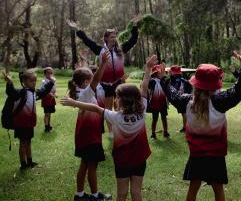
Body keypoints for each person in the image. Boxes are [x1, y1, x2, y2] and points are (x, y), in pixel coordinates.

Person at [61, 56, 155, 201]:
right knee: (136, 192)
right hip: (139, 158)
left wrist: (75, 103)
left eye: (116, 97)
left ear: (119, 101)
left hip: (122, 160)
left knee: (122, 194)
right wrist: (148, 68)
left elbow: (97, 109)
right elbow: (144, 85)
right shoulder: (142, 110)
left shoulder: (115, 117)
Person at [160, 51, 241, 201]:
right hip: (216, 155)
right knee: (218, 189)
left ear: (196, 83)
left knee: (193, 187)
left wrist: (163, 78)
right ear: (215, 84)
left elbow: (172, 93)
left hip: (197, 154)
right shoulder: (221, 101)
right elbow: (238, 90)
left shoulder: (186, 101)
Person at [67, 16, 140, 138]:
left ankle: (119, 127)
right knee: (107, 107)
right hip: (105, 84)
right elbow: (87, 40)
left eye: (114, 36)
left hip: (119, 83)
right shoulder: (100, 50)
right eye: (111, 36)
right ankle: (111, 131)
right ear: (106, 38)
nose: (114, 38)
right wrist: (77, 29)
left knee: (120, 105)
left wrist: (135, 26)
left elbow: (133, 40)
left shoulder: (120, 49)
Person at [67, 51, 112, 201]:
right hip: (90, 138)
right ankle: (95, 195)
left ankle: (79, 195)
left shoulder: (82, 91)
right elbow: (95, 80)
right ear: (86, 82)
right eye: (91, 79)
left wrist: (84, 61)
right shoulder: (86, 93)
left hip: (84, 137)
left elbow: (85, 77)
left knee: (84, 165)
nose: (95, 82)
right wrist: (103, 64)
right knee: (92, 166)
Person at [2, 70, 54, 169]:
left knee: (29, 141)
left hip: (29, 123)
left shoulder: (34, 92)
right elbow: (11, 92)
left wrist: (51, 82)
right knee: (23, 142)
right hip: (20, 123)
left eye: (35, 81)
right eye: (31, 81)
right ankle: (23, 164)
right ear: (24, 81)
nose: (34, 83)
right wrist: (9, 82)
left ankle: (30, 161)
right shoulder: (21, 92)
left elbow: (43, 91)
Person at [148, 65, 169, 139]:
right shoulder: (152, 81)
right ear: (156, 73)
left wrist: (164, 76)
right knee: (155, 119)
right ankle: (153, 133)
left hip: (163, 103)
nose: (162, 73)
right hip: (155, 104)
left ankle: (166, 132)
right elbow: (147, 84)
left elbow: (167, 83)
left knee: (164, 118)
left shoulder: (163, 81)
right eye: (160, 72)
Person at [169, 65, 192, 133]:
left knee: (184, 113)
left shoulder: (177, 79)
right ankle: (185, 127)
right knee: (184, 113)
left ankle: (185, 128)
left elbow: (175, 89)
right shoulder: (181, 78)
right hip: (185, 98)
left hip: (182, 99)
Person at [41, 67, 57, 132]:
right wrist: (51, 94)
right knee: (47, 113)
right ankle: (46, 127)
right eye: (48, 73)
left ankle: (48, 125)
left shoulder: (52, 80)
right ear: (45, 74)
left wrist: (54, 94)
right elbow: (44, 91)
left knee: (50, 113)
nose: (50, 74)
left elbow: (53, 89)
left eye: (51, 73)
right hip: (46, 99)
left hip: (51, 99)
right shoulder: (44, 81)